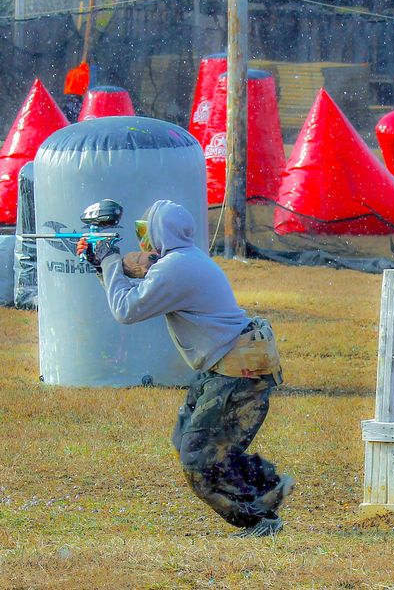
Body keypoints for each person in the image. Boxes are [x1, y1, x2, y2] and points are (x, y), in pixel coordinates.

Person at [77, 199, 293, 537]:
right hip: (227, 365)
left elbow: (127, 310)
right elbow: (137, 294)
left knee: (198, 460)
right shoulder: (184, 261)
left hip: (237, 371)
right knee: (187, 441)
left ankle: (260, 518)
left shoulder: (174, 267)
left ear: (162, 232)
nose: (144, 240)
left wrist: (108, 262)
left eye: (146, 231)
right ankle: (268, 486)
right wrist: (102, 266)